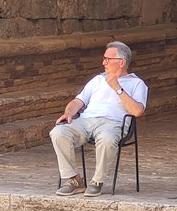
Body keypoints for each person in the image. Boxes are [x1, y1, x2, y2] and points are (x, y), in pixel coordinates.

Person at [50, 41, 147, 197]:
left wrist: (117, 87)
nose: (104, 63)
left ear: (121, 63)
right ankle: (74, 180)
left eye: (108, 59)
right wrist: (69, 112)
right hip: (86, 120)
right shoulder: (97, 80)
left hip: (113, 124)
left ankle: (97, 181)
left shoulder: (137, 84)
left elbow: (137, 111)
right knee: (58, 132)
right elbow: (78, 101)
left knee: (107, 139)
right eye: (104, 58)